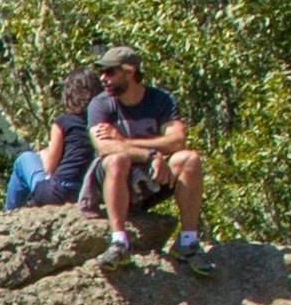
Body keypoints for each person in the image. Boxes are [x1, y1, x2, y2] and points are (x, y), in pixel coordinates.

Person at [84, 46, 211, 267]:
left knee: (189, 159)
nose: (103, 78)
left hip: (151, 177)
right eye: (101, 72)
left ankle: (188, 242)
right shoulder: (101, 104)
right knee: (117, 159)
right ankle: (119, 242)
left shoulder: (161, 100)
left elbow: (177, 140)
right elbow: (104, 147)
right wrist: (151, 154)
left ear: (129, 71)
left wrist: (125, 142)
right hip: (116, 177)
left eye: (110, 72)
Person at [6, 65, 94, 208]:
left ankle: (9, 213)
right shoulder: (101, 123)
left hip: (59, 192)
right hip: (86, 191)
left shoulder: (63, 122)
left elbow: (49, 169)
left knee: (24, 159)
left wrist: (44, 154)